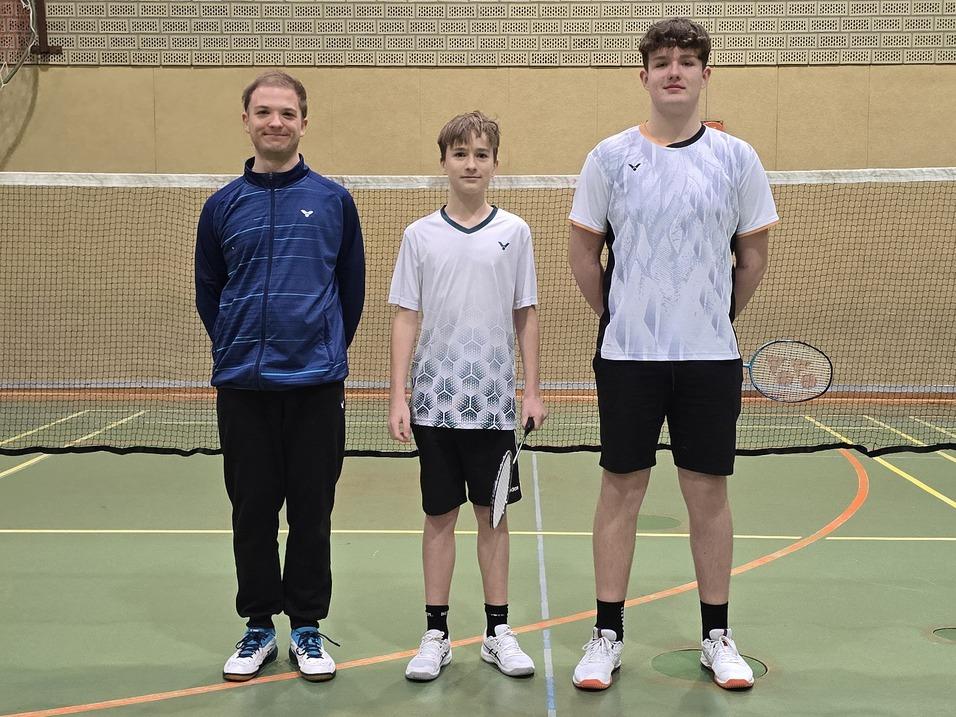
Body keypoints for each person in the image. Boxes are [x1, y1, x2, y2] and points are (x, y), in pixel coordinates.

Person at [567, 18, 777, 691]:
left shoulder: (736, 158)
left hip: (710, 358)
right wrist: (620, 317)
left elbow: (752, 256)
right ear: (645, 75)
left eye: (688, 61)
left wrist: (715, 318)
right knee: (621, 488)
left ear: (706, 74)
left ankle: (717, 634)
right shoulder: (608, 157)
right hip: (628, 357)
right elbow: (582, 252)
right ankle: (606, 634)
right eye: (662, 62)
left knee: (707, 491)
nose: (675, 71)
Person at [195, 71, 365, 683]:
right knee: (252, 512)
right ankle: (258, 627)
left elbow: (351, 290)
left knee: (313, 511)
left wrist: (318, 353)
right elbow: (210, 293)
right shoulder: (222, 207)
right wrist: (243, 348)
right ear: (246, 120)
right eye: (264, 111)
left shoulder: (332, 200)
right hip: (243, 387)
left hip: (316, 388)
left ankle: (309, 630)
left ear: (303, 123)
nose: (275, 122)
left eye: (287, 113)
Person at [388, 111, 548, 682]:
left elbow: (524, 313)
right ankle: (435, 633)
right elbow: (406, 315)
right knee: (439, 517)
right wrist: (397, 395)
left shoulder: (516, 232)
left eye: (481, 154)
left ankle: (497, 631)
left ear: (496, 163)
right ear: (444, 163)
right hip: (434, 402)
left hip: (494, 407)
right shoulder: (419, 235)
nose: (471, 164)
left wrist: (531, 389)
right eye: (460, 154)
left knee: (493, 517)